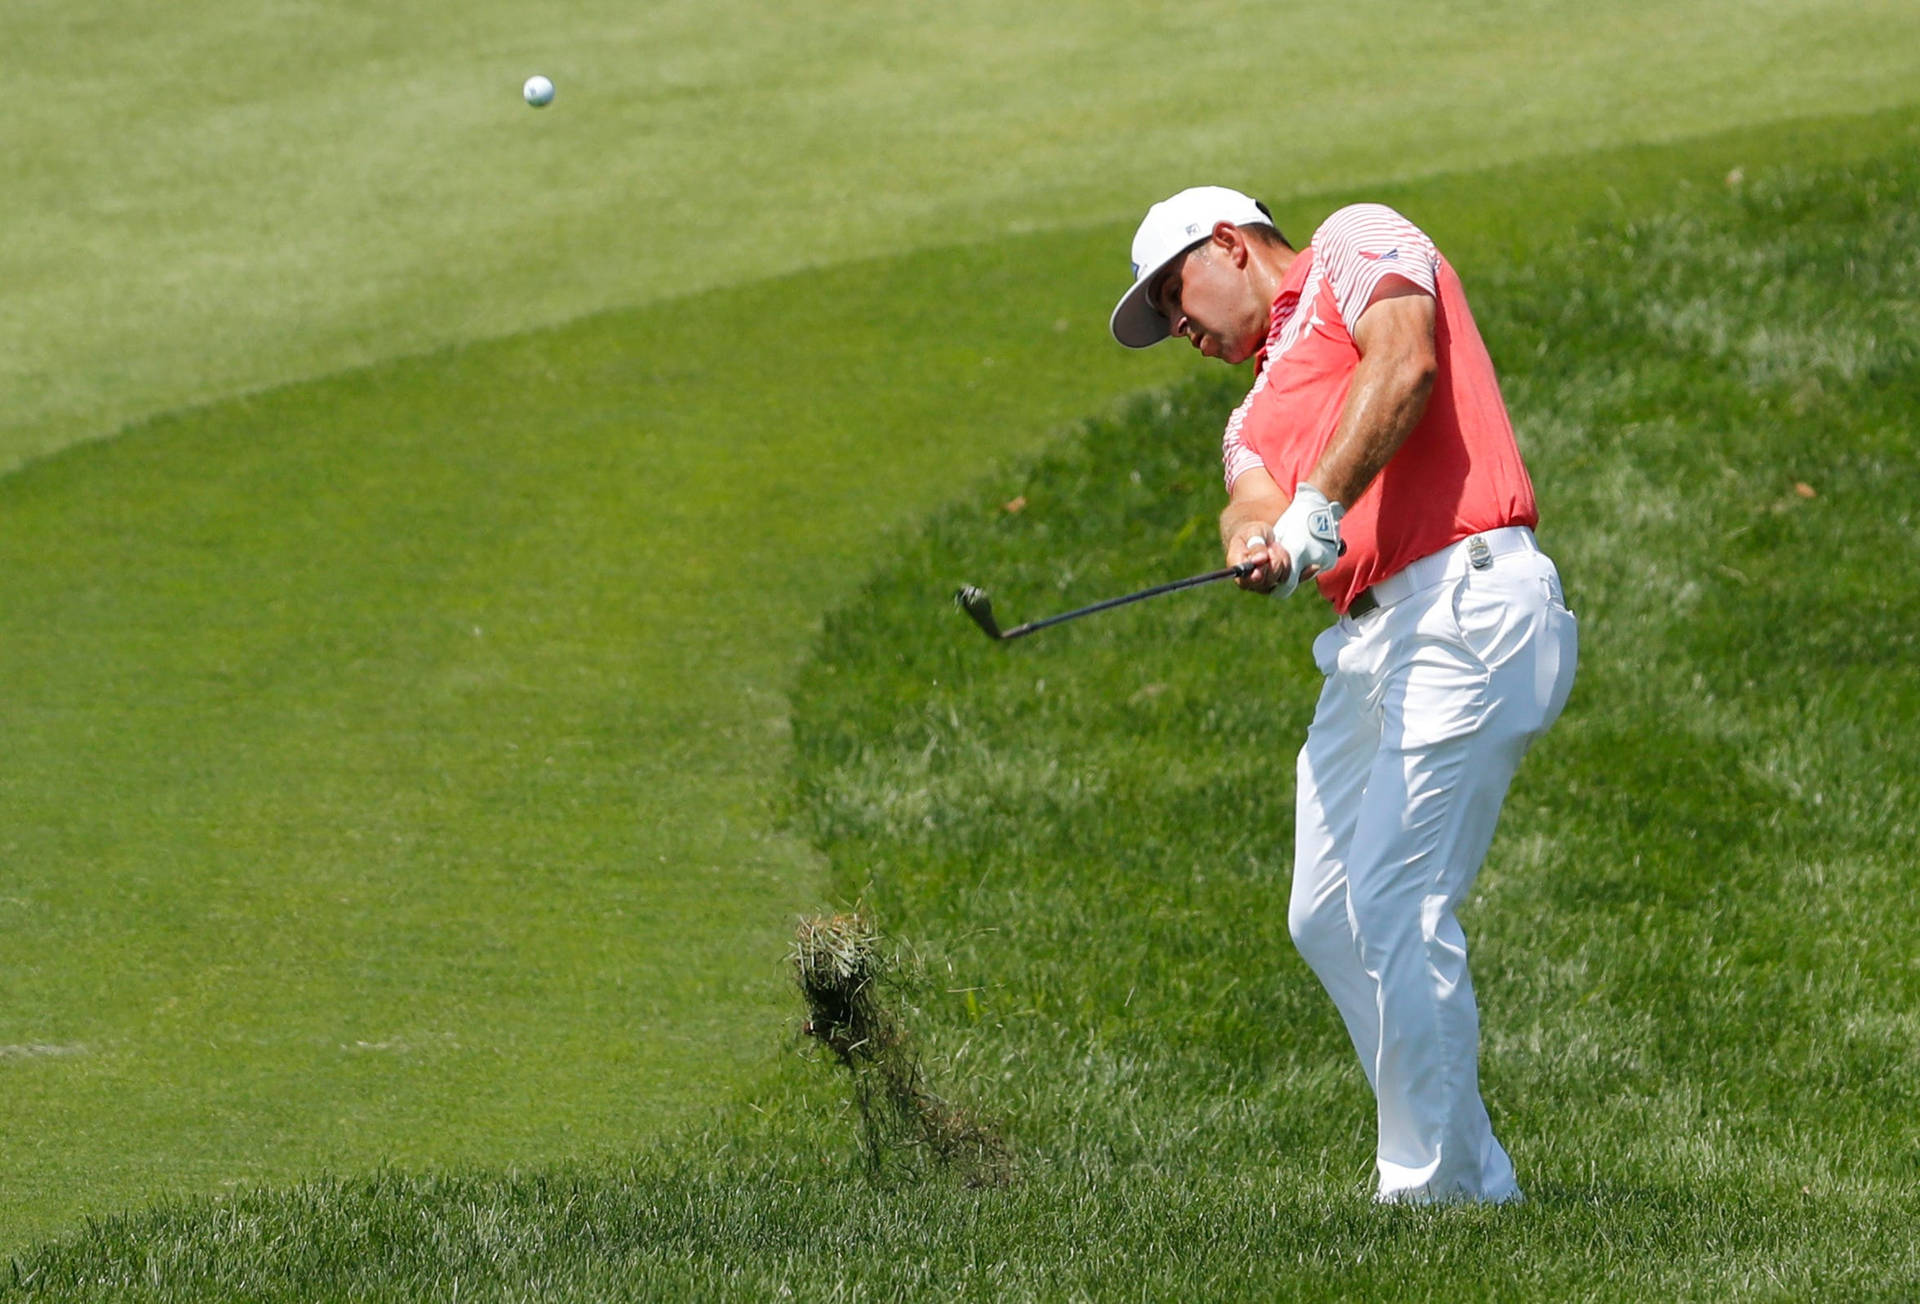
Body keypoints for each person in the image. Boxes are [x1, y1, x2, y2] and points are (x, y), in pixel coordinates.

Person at [1109, 186, 1578, 1204]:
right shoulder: (1247, 413)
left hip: (1467, 600)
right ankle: (1465, 1159)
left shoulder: (1357, 242)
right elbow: (1253, 493)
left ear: (1229, 244)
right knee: (1327, 913)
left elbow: (1404, 359)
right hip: (1370, 647)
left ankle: (1439, 1192)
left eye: (1172, 295)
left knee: (1396, 899)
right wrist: (1257, 542)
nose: (1177, 327)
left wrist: (1320, 502)